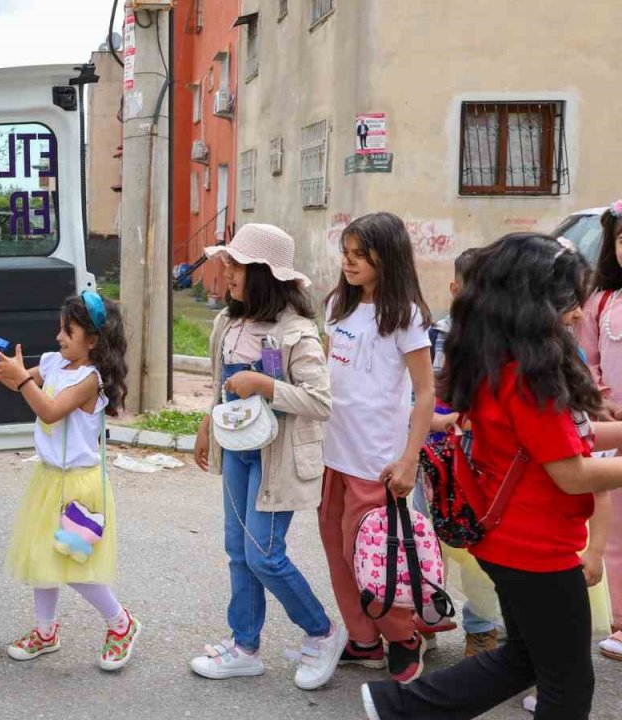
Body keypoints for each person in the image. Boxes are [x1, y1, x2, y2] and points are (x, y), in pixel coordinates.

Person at [361, 232, 622, 720]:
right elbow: (571, 473)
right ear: (533, 305)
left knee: (525, 658)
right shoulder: (530, 378)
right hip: (537, 550)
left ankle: (398, 706)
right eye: (569, 301)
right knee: (567, 684)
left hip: (508, 542)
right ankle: (399, 708)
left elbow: (566, 442)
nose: (578, 314)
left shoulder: (500, 363)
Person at [189, 224, 345, 690]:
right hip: (237, 452)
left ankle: (323, 631)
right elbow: (220, 384)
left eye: (236, 265)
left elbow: (320, 402)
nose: (227, 272)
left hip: (276, 461)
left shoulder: (297, 333)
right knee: (238, 551)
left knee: (264, 556)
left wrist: (265, 386)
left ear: (262, 275)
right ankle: (245, 646)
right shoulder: (226, 324)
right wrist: (205, 424)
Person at [0, 291, 140, 671]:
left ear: (93, 340)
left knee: (73, 564)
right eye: (60, 329)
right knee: (42, 559)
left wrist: (21, 381)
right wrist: (7, 370)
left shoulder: (90, 379)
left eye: (68, 331)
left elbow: (50, 410)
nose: (58, 337)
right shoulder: (54, 363)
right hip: (48, 479)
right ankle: (46, 631)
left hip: (78, 485)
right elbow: (29, 385)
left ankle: (122, 624)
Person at [320, 212, 435, 684]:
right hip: (333, 454)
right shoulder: (337, 307)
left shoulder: (405, 315)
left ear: (386, 258)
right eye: (345, 254)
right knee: (337, 552)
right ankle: (364, 639)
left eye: (359, 256)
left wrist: (409, 458)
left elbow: (424, 392)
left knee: (371, 558)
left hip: (377, 463)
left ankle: (404, 637)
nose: (348, 263)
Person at [421, 247, 504, 658]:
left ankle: (481, 627)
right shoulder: (437, 334)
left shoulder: (506, 340)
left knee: (477, 548)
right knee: (430, 543)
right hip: (439, 457)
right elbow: (430, 391)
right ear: (455, 289)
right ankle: (426, 619)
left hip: (485, 461)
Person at [574, 199, 622, 660]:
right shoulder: (601, 301)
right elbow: (587, 361)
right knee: (611, 524)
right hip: (611, 428)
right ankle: (618, 617)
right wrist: (602, 400)